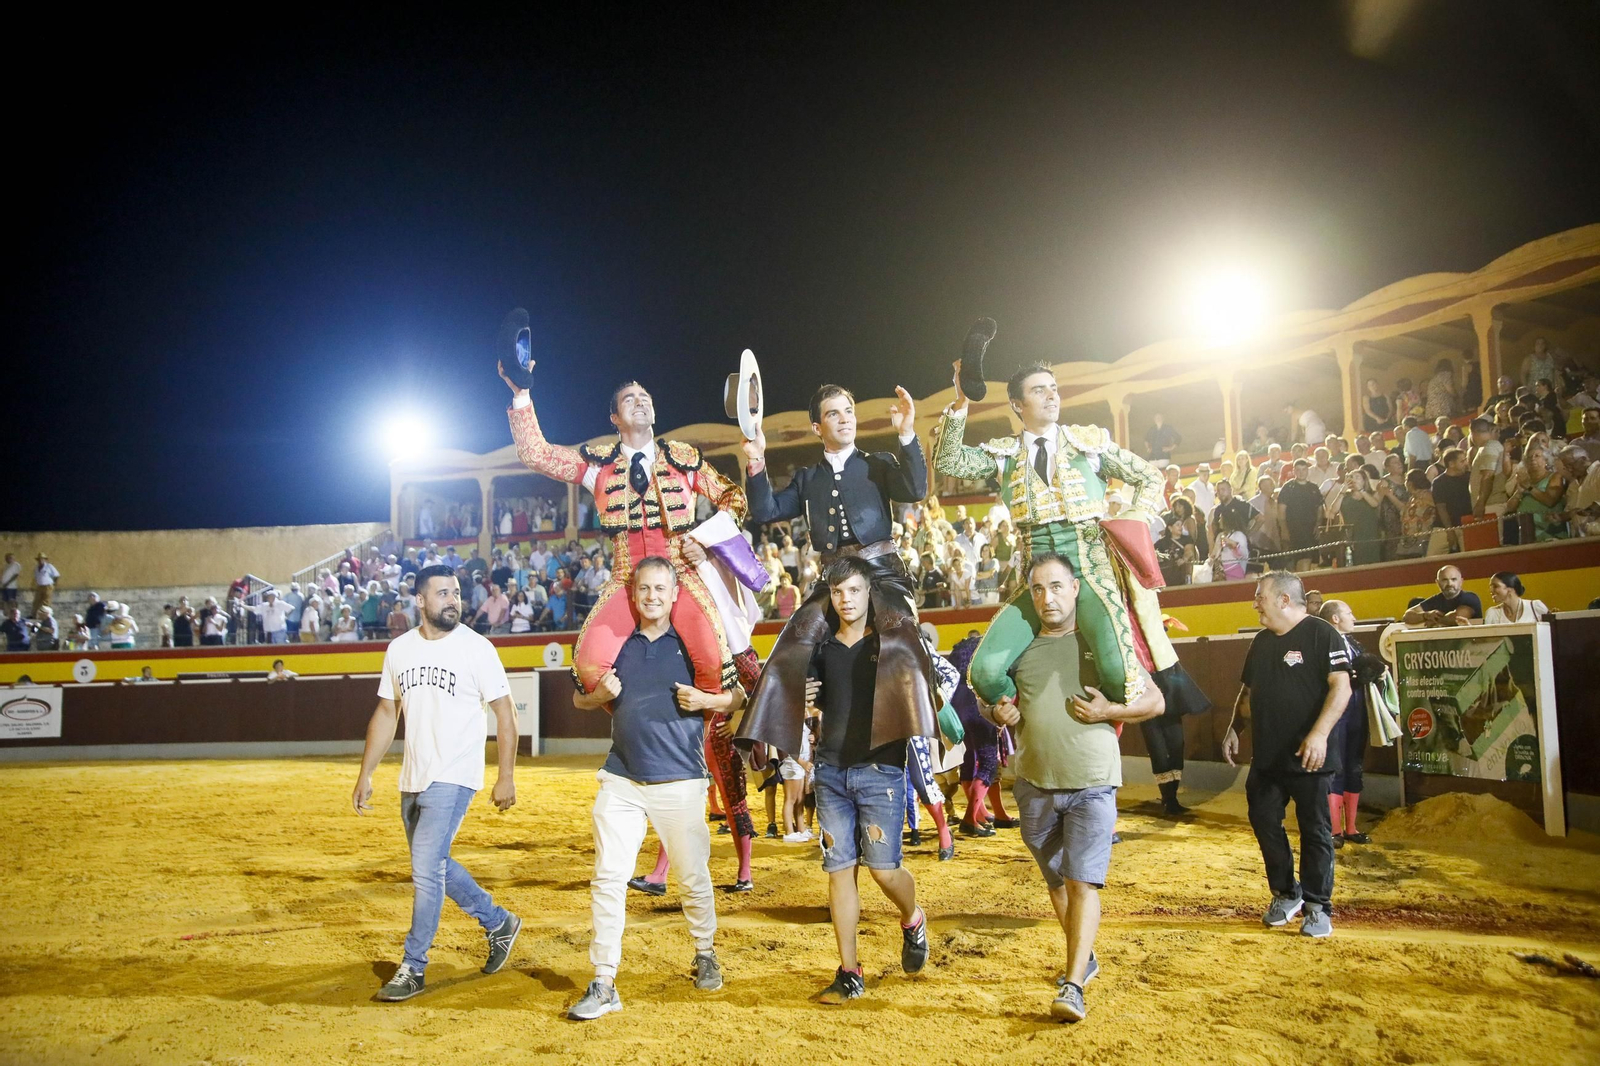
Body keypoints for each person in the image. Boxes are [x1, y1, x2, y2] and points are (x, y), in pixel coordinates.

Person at [933, 345, 1209, 730]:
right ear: (1017, 404)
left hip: (1090, 573)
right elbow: (948, 462)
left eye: (1054, 388)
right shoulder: (1005, 454)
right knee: (985, 672)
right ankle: (1032, 719)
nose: (1051, 396)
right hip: (1035, 581)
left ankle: (1101, 729)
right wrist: (962, 400)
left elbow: (1150, 477)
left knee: (1117, 671)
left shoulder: (1087, 444)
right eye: (1039, 390)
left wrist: (1133, 521)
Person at [502, 359, 747, 697]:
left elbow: (733, 498)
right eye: (629, 399)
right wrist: (522, 394)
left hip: (681, 574)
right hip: (626, 578)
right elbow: (537, 455)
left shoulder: (683, 459)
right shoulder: (597, 465)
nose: (640, 401)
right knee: (588, 668)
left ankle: (708, 746)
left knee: (713, 665)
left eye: (645, 397)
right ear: (614, 419)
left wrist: (705, 542)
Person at [987, 553, 1164, 1021]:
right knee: (1058, 882)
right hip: (1034, 785)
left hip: (1092, 783)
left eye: (1058, 586)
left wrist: (1111, 712)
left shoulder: (1102, 643)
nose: (1049, 597)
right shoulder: (1018, 649)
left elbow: (1155, 700)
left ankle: (1071, 986)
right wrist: (996, 713)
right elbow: (999, 704)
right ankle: (1084, 960)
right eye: (1039, 589)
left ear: (1076, 589)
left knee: (1081, 880)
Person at [565, 557, 737, 1020]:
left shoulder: (693, 644)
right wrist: (596, 698)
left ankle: (705, 951)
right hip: (620, 777)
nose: (653, 596)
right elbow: (579, 695)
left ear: (675, 593)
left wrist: (707, 700)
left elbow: (738, 696)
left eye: (661, 588)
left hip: (681, 778)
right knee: (607, 878)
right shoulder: (618, 643)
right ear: (634, 593)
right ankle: (603, 980)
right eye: (645, 589)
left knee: (693, 875)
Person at [737, 383, 937, 776]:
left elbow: (916, 489)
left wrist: (908, 434)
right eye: (833, 413)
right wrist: (757, 461)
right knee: (790, 644)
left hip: (882, 574)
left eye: (848, 410)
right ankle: (773, 751)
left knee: (905, 640)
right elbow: (765, 511)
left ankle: (931, 726)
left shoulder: (878, 462)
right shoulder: (807, 477)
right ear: (817, 427)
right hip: (832, 578)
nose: (845, 418)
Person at [352, 564, 522, 1003]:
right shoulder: (399, 649)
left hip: (455, 775)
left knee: (425, 872)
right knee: (435, 865)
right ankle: (498, 921)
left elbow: (505, 713)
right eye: (443, 593)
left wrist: (505, 775)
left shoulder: (477, 648)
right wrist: (366, 772)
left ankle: (413, 966)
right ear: (420, 601)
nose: (453, 600)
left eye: (457, 592)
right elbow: (387, 713)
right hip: (412, 777)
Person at [806, 557, 930, 1005]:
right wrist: (804, 699)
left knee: (883, 870)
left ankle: (912, 917)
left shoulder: (891, 644)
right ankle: (849, 971)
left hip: (881, 768)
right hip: (831, 771)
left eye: (854, 591)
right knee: (839, 872)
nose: (846, 600)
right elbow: (807, 699)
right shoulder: (820, 650)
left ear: (868, 593)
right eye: (839, 592)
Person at [1222, 571, 1352, 939]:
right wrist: (1236, 728)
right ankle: (1285, 892)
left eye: (1259, 596)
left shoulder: (1323, 634)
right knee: (1264, 820)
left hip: (1310, 756)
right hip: (1267, 756)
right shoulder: (1261, 642)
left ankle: (1317, 905)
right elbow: (1247, 693)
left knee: (1315, 831)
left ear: (1283, 600)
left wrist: (1319, 735)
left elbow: (1341, 689)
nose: (1254, 603)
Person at [1316, 600, 1372, 847]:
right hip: (1338, 713)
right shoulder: (1324, 642)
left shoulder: (1353, 644)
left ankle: (1351, 827)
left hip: (1356, 711)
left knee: (1354, 766)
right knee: (1336, 767)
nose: (1354, 617)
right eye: (1349, 613)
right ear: (1335, 618)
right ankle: (1335, 830)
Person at [1402, 565, 1482, 627]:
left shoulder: (1471, 598)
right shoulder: (1436, 599)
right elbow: (1407, 616)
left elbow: (1458, 618)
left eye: (1453, 579)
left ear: (1461, 581)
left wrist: (1434, 620)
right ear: (1437, 582)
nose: (1449, 584)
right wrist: (1426, 615)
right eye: (1445, 580)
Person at [1481, 571, 1550, 625]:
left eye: (1495, 586)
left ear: (1510, 588)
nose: (1491, 590)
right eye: (1491, 587)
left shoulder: (1535, 607)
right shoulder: (1492, 613)